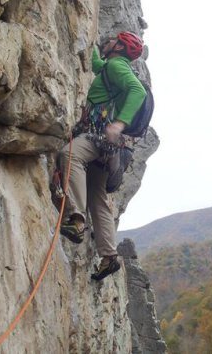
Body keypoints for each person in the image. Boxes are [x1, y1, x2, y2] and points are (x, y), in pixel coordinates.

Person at [58, 31, 146, 281]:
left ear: (118, 47)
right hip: (110, 150)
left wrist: (119, 123)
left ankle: (75, 218)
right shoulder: (111, 66)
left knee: (69, 155)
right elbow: (97, 66)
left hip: (99, 137)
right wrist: (91, 40)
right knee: (97, 197)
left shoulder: (118, 66)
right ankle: (109, 256)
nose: (107, 42)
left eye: (111, 41)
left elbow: (137, 91)